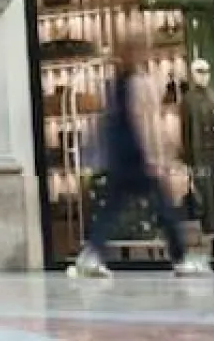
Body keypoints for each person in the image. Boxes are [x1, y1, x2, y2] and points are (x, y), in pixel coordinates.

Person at [71, 33, 206, 279]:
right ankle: (180, 258)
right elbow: (144, 124)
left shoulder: (117, 85)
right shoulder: (135, 84)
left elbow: (115, 124)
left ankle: (91, 255)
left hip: (123, 159)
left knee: (113, 209)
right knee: (163, 208)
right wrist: (156, 157)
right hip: (136, 158)